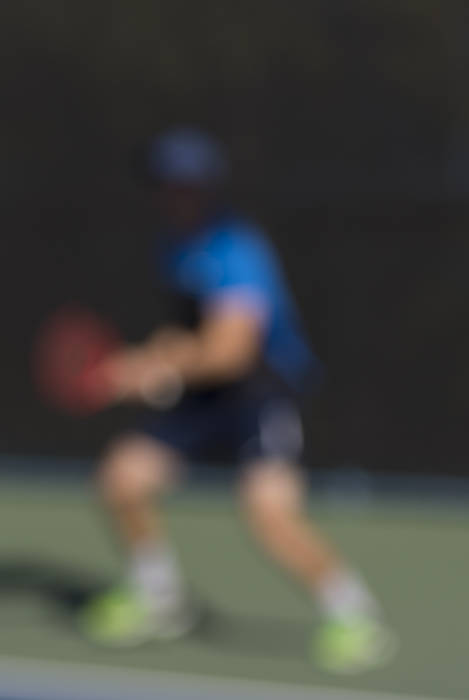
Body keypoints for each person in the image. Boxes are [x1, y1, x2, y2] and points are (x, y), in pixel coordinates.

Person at [78, 127, 395, 674]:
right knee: (122, 478)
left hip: (258, 392)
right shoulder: (171, 245)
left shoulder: (236, 249)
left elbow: (232, 351)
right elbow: (191, 336)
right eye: (168, 184)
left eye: (190, 184)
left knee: (268, 514)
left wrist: (153, 368)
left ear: (209, 187)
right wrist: (152, 359)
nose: (180, 194)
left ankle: (354, 613)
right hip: (203, 396)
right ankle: (159, 596)